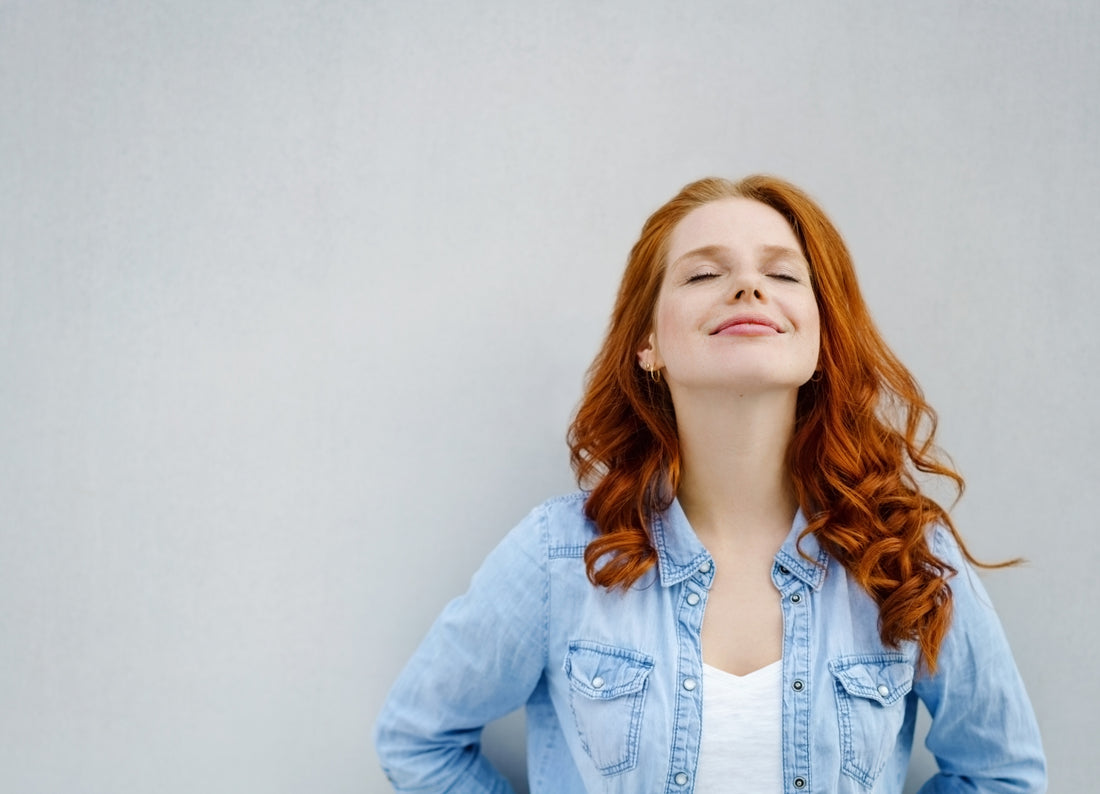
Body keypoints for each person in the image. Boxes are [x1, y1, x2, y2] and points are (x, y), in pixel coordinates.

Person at [373, 176, 1046, 793]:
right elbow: (418, 739)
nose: (749, 287)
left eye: (782, 273)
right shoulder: (559, 555)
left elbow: (1002, 774)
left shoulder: (904, 551)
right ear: (648, 345)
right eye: (703, 273)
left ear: (819, 339)